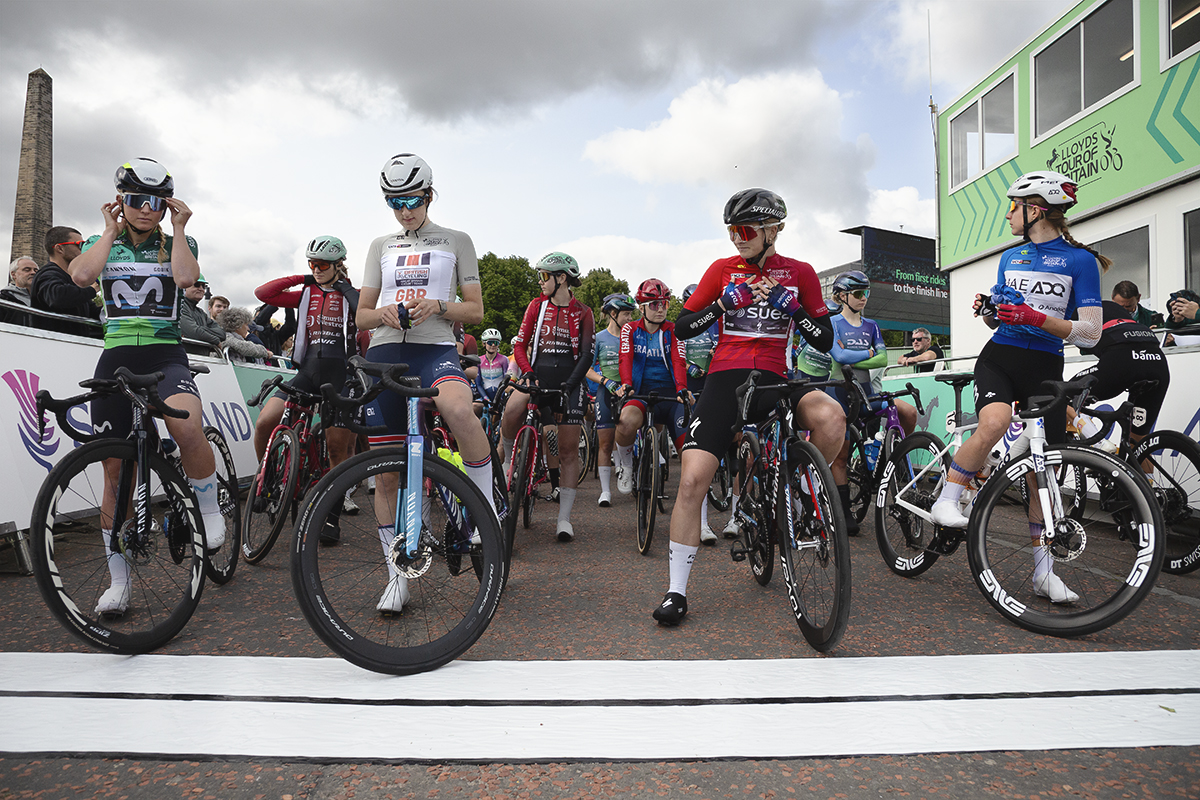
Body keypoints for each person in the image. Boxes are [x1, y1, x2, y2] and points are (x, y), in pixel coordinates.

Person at [652, 188, 844, 626]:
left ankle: (798, 489)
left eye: (745, 230)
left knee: (833, 417)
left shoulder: (800, 272)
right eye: (731, 231)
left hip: (779, 377)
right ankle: (676, 591)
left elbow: (825, 340)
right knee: (692, 480)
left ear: (773, 230)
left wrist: (793, 308)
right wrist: (724, 304)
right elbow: (681, 327)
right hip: (725, 378)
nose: (737, 239)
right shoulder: (722, 271)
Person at [929, 170, 1106, 605]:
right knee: (994, 422)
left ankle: (1044, 574)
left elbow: (1091, 334)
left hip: (1044, 363)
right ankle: (947, 499)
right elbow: (1001, 314)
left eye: (1014, 206)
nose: (1008, 213)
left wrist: (1036, 318)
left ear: (1036, 210)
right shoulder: (1012, 257)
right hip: (1001, 357)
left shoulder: (1079, 261)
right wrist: (991, 311)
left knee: (1040, 476)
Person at [67, 157, 225, 616]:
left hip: (164, 352)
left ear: (165, 205)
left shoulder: (180, 239)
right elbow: (80, 276)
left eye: (155, 202)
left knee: (187, 427)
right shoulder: (102, 241)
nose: (145, 210)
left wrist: (177, 230)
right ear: (121, 201)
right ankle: (119, 581)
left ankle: (210, 511)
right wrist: (110, 233)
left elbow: (185, 279)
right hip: (116, 356)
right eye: (136, 200)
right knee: (115, 472)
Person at [357, 152, 494, 613]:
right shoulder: (380, 244)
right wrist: (383, 313)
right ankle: (397, 575)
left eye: (413, 199)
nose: (405, 210)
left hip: (435, 349)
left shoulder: (457, 240)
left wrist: (438, 306)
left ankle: (486, 512)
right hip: (386, 348)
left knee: (458, 409)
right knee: (385, 473)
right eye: (394, 201)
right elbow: (361, 314)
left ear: (430, 194)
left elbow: (474, 311)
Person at [254, 236, 365, 515]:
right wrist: (303, 277)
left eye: (323, 264)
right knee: (265, 421)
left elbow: (363, 311)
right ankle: (265, 478)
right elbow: (263, 293)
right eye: (312, 263)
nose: (316, 268)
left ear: (339, 264)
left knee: (338, 450)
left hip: (340, 376)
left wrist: (343, 286)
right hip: (306, 373)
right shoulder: (305, 293)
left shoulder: (352, 293)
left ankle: (333, 513)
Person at [502, 252, 595, 542]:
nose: (540, 282)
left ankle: (564, 519)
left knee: (567, 451)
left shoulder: (583, 312)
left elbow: (587, 355)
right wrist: (528, 372)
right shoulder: (536, 306)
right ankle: (507, 460)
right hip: (537, 377)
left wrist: (570, 384)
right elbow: (520, 345)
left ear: (562, 278)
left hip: (570, 382)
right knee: (512, 407)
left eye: (544, 276)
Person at [825, 270, 917, 535]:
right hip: (840, 392)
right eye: (857, 293)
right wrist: (867, 352)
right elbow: (839, 357)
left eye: (866, 292)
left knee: (908, 413)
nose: (864, 298)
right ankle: (843, 512)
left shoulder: (872, 325)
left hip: (867, 392)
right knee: (841, 454)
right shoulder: (833, 324)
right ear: (842, 296)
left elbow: (883, 360)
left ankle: (893, 462)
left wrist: (855, 356)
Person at [614, 278, 692, 520]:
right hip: (640, 393)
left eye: (665, 304)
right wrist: (626, 384)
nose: (661, 309)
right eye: (655, 304)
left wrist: (681, 388)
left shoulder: (673, 330)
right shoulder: (630, 329)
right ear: (642, 307)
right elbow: (625, 357)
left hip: (670, 395)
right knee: (625, 421)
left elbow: (679, 360)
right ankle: (626, 465)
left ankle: (700, 521)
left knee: (692, 454)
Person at [1068, 299, 1169, 459]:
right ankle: (1147, 483)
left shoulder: (1070, 309)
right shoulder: (1110, 306)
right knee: (1139, 441)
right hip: (1157, 361)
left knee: (1063, 395)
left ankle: (1099, 444)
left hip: (1123, 359)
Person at [586, 293, 637, 508]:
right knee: (605, 443)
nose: (629, 318)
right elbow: (586, 369)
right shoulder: (598, 338)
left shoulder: (635, 334)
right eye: (626, 314)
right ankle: (606, 491)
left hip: (629, 392)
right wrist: (605, 381)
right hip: (606, 392)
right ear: (613, 314)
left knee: (625, 436)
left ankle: (627, 467)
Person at [32, 226, 102, 321]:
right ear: (60, 249)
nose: (83, 249)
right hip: (53, 335)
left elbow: (91, 312)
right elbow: (57, 297)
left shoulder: (73, 279)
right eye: (80, 244)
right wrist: (93, 289)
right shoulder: (47, 274)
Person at [180, 273, 226, 348]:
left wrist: (200, 329)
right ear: (184, 287)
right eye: (197, 285)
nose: (201, 289)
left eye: (203, 286)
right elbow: (193, 332)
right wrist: (216, 341)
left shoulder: (201, 312)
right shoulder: (180, 307)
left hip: (199, 357)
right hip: (187, 357)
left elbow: (222, 334)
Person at [473, 327, 509, 415]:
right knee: (474, 407)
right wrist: (486, 399)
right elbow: (478, 384)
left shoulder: (504, 360)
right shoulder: (479, 360)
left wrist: (499, 398)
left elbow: (506, 381)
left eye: (496, 343)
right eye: (490, 342)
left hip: (500, 396)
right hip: (484, 396)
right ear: (484, 344)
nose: (493, 345)